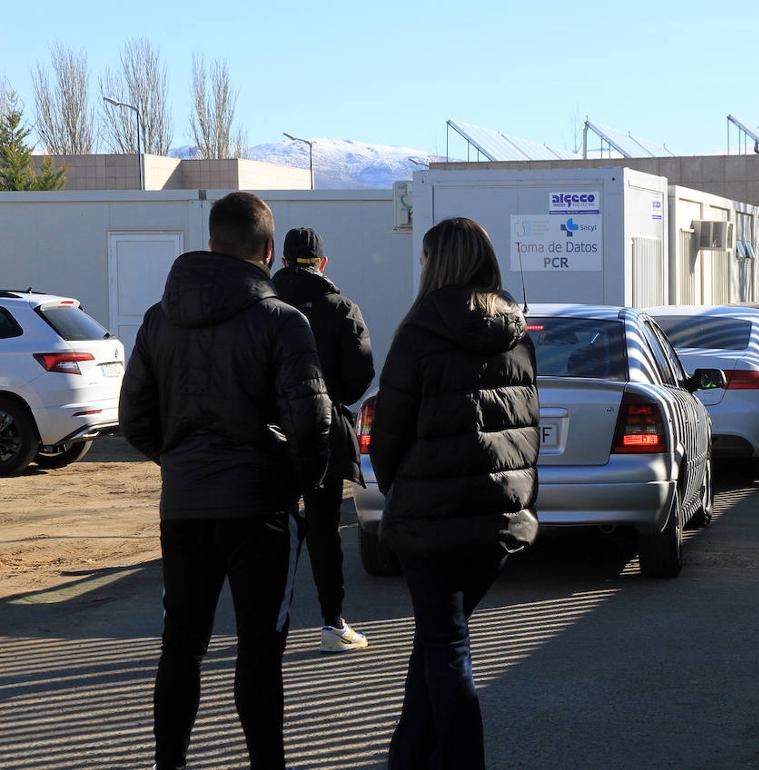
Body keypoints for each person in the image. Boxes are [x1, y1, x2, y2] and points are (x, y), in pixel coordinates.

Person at [120, 191, 331, 770]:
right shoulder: (284, 322)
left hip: (185, 505)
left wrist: (179, 460)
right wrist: (298, 481)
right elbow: (311, 423)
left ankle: (170, 764)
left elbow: (134, 414)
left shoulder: (160, 318)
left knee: (181, 646)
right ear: (268, 251)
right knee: (260, 652)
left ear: (212, 243)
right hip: (260, 506)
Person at [370, 217, 539, 770]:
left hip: (430, 520)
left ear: (436, 263)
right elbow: (528, 428)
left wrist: (403, 490)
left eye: (424, 259)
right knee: (438, 643)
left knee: (444, 648)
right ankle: (407, 757)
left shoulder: (418, 332)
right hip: (496, 520)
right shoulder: (517, 334)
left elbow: (387, 436)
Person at [273, 227, 375, 653]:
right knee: (323, 529)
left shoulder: (263, 305)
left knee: (272, 526)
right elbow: (361, 374)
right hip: (323, 427)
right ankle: (333, 623)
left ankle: (267, 621)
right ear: (323, 263)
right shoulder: (341, 308)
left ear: (281, 260)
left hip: (270, 431)